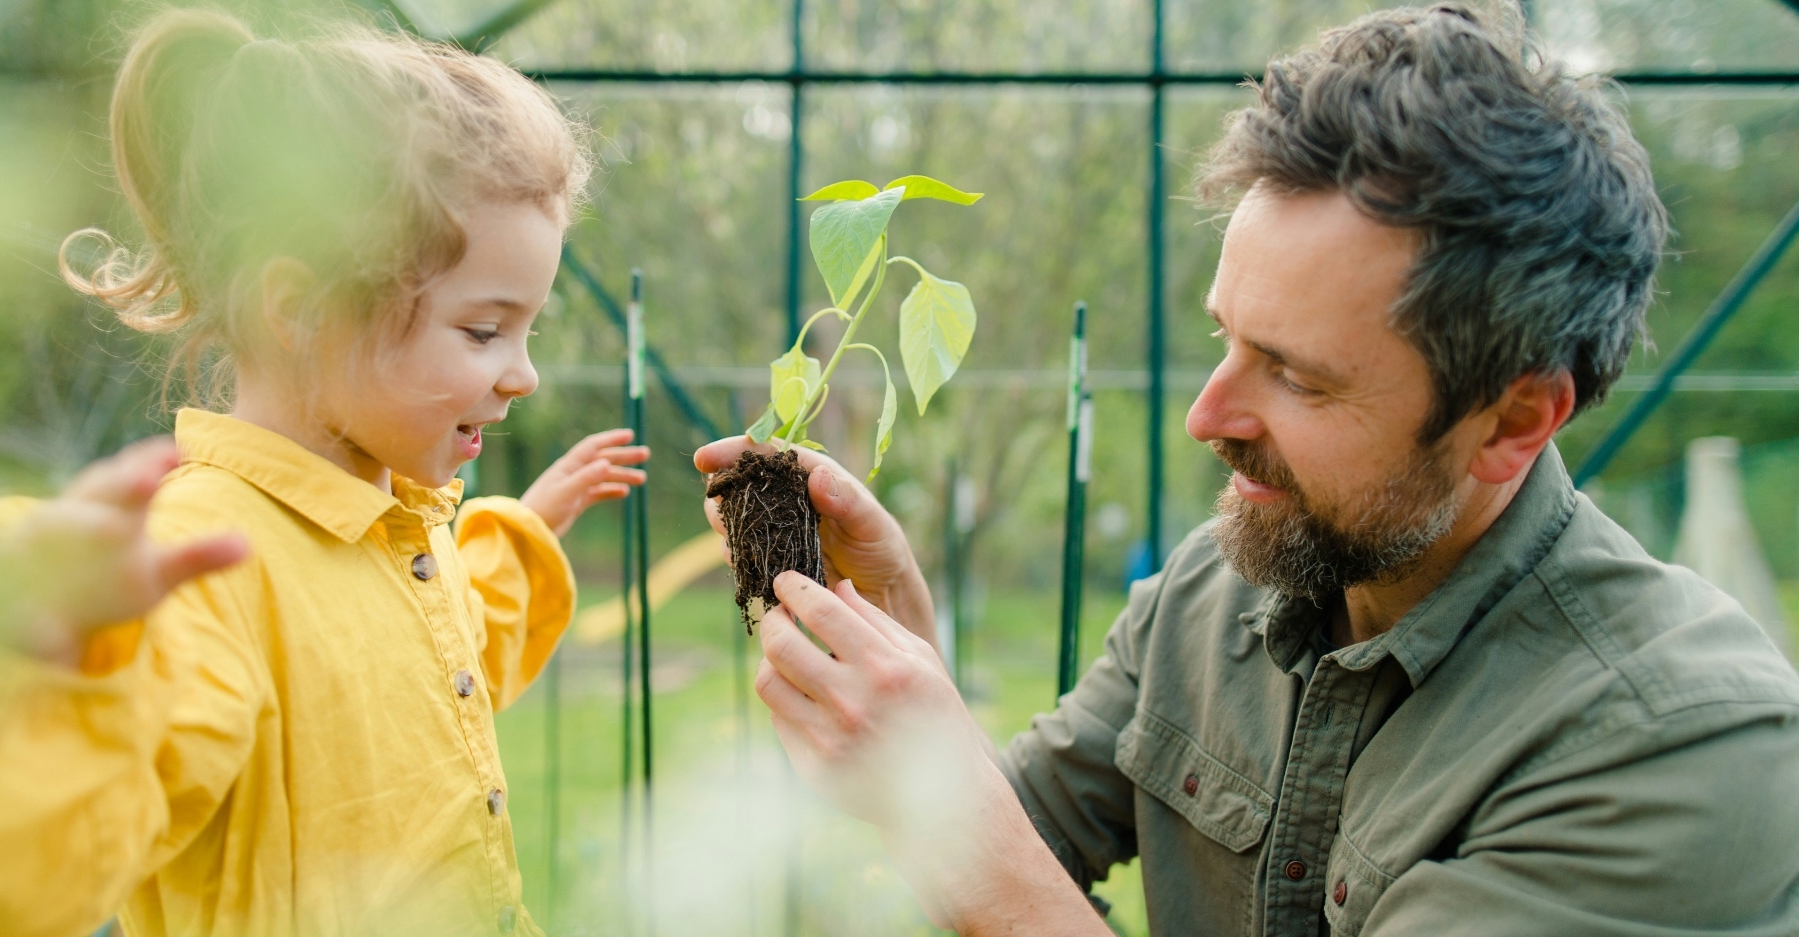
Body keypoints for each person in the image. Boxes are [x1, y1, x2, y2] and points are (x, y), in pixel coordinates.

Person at [697, 4, 1799, 935]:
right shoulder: (1215, 591)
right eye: (1225, 336)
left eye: (1299, 376)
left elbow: (1002, 879)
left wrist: (980, 851)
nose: (1206, 416)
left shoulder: (1677, 748)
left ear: (1512, 418)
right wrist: (896, 642)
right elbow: (1017, 847)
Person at [0, 10, 645, 937]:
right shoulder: (204, 564)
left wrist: (525, 529)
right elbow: (25, 864)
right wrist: (15, 647)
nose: (524, 374)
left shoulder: (393, 518)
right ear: (304, 309)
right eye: (484, 330)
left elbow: (434, 668)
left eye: (527, 329)